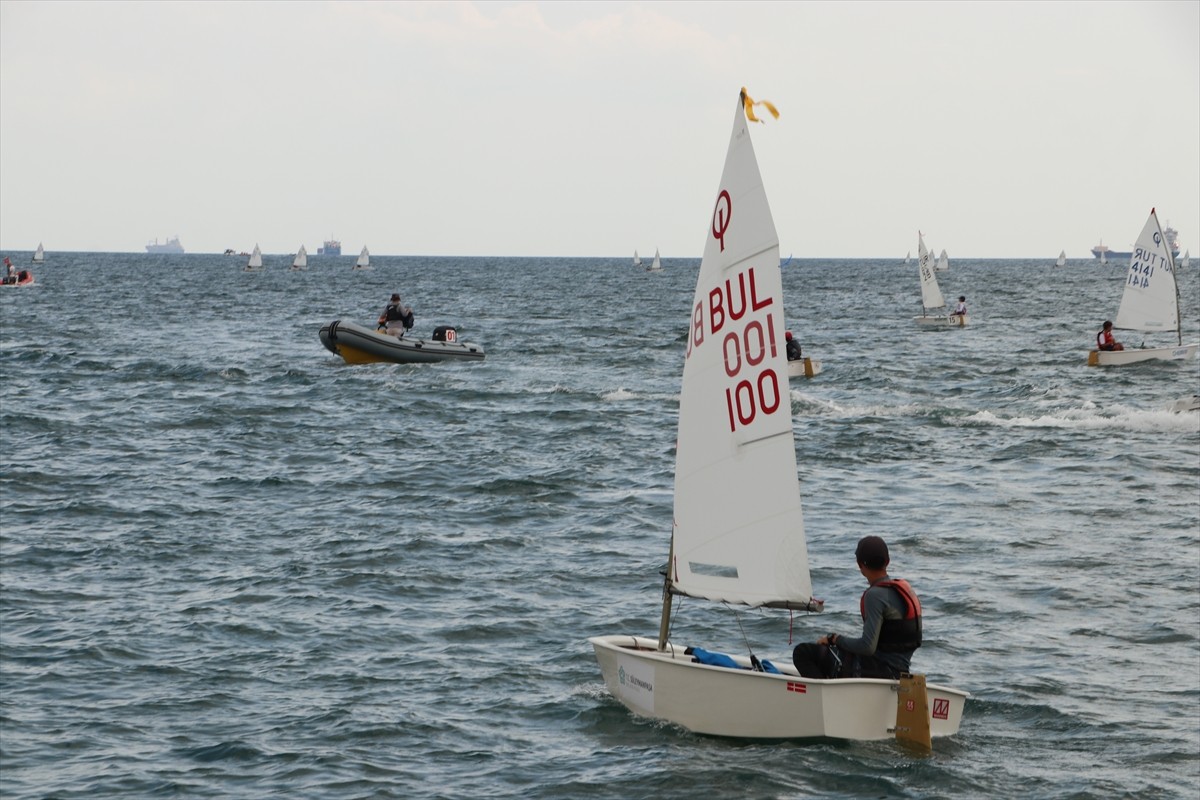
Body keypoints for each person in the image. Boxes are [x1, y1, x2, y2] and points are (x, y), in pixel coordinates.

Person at [792, 535, 922, 680]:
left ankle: (826, 697)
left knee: (802, 652)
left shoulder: (874, 595)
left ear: (860, 565)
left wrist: (834, 639)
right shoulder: (903, 590)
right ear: (888, 561)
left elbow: (867, 647)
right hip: (900, 671)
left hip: (880, 671)